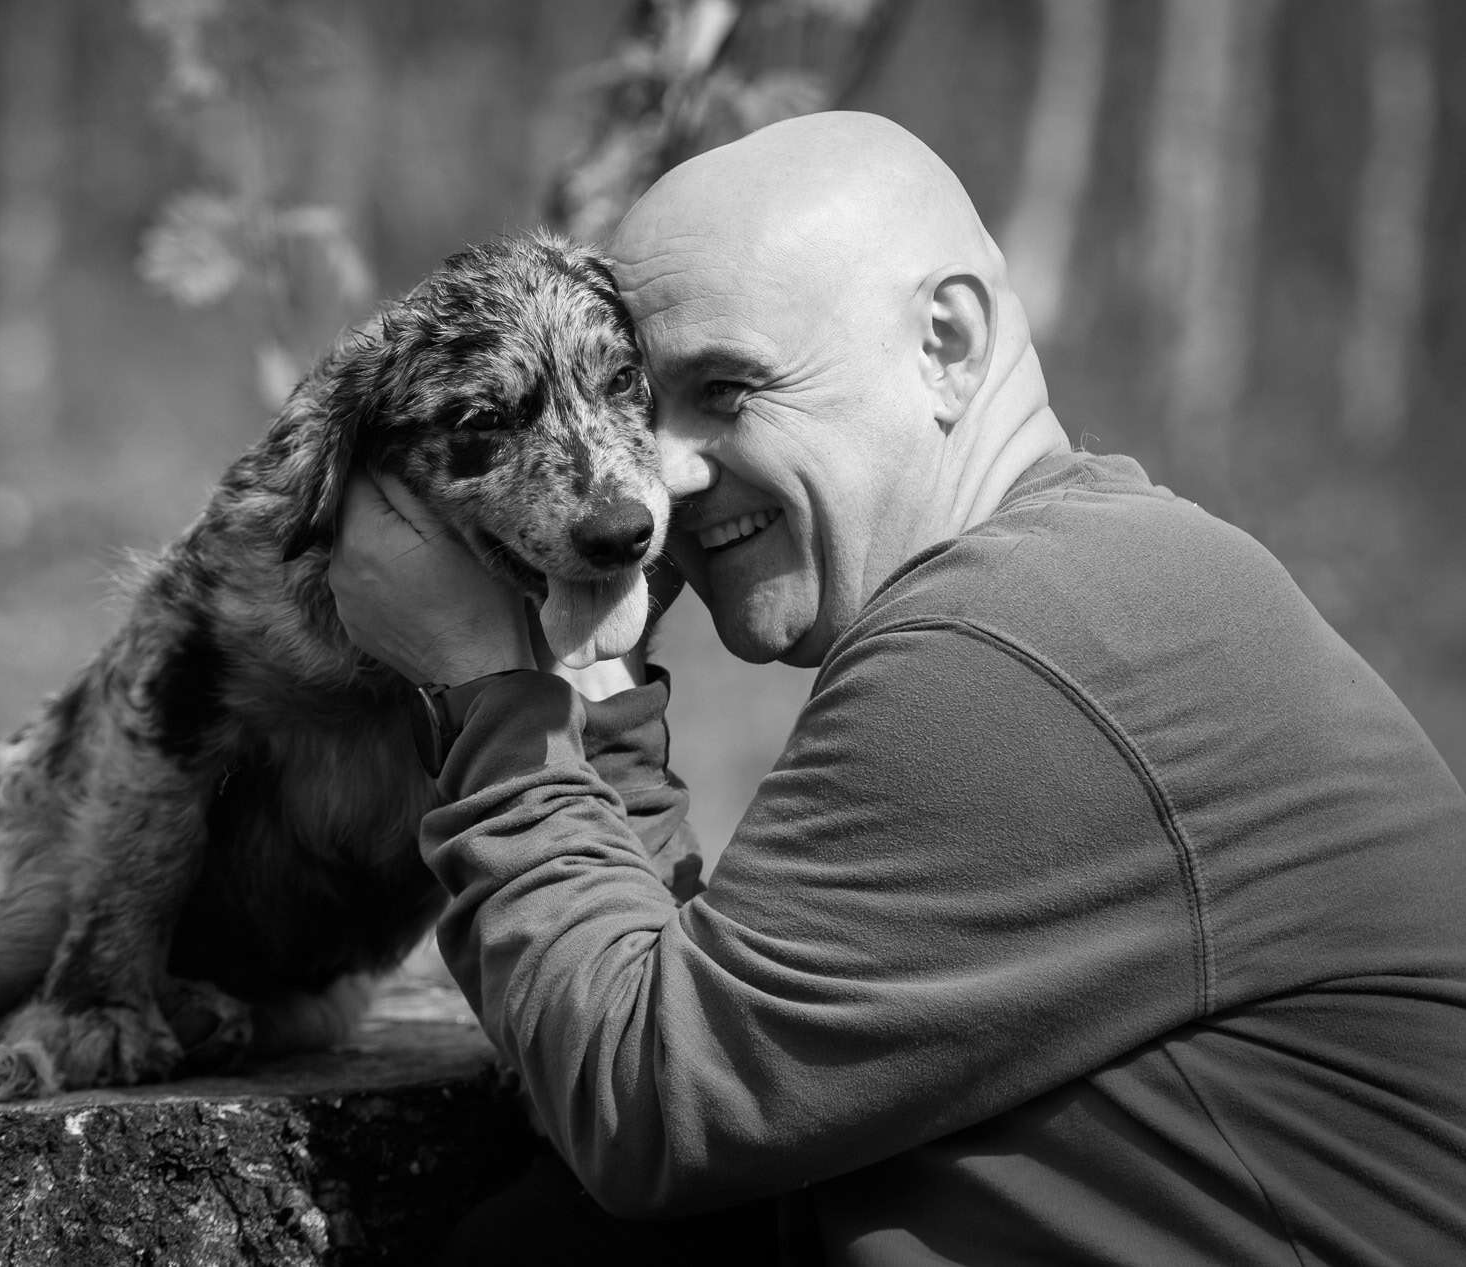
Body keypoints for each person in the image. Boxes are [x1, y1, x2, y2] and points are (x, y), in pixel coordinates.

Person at [328, 112, 1466, 1265]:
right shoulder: (1076, 588)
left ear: (946, 342)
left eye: (724, 390)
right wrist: (587, 678)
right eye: (642, 400)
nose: (657, 474)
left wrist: (486, 685)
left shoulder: (1029, 643)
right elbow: (701, 1020)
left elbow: (650, 1104)